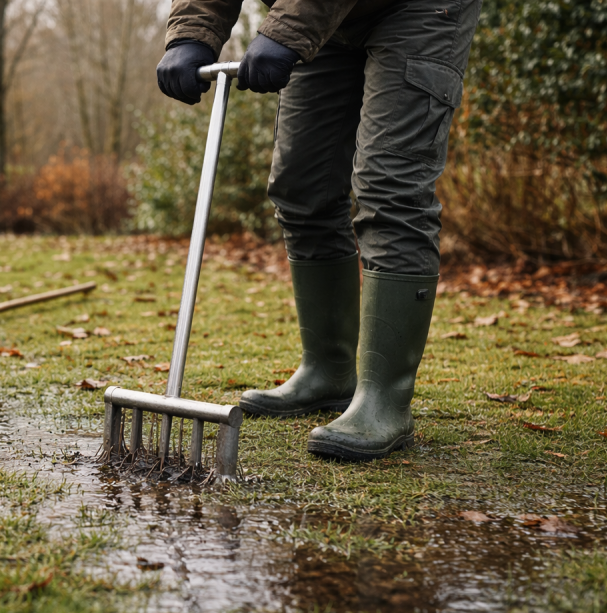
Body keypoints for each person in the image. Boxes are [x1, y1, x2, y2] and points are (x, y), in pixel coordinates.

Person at [157, 0, 482, 461]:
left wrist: (287, 30)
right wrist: (192, 32)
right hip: (324, 20)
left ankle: (384, 401)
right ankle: (327, 370)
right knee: (302, 184)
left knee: (391, 186)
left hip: (419, 10)